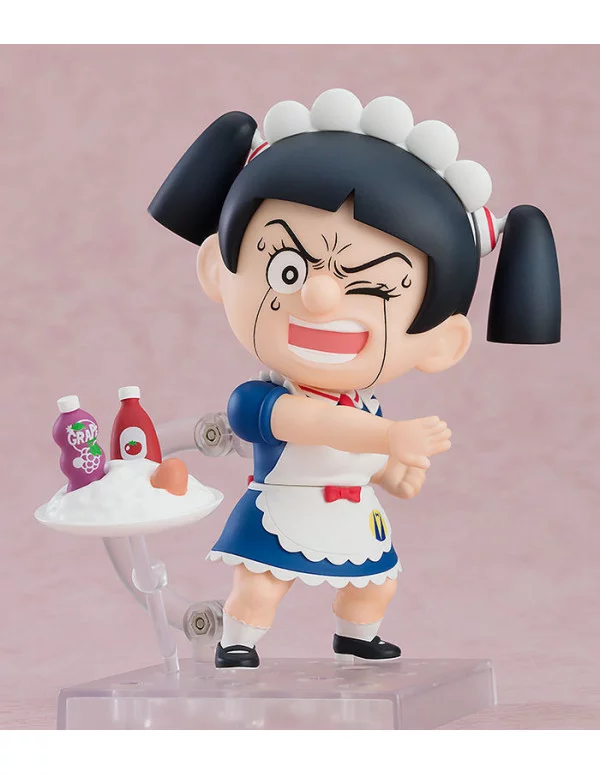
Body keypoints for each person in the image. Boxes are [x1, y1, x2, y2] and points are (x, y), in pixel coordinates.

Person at [148, 89, 561, 668]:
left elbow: (353, 443)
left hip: (351, 513)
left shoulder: (365, 406)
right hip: (281, 511)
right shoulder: (260, 399)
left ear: (441, 342)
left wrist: (391, 470)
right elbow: (313, 423)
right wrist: (390, 439)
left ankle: (355, 639)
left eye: (372, 287)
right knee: (263, 585)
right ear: (219, 268)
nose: (319, 296)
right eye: (288, 268)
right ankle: (237, 641)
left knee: (376, 585)